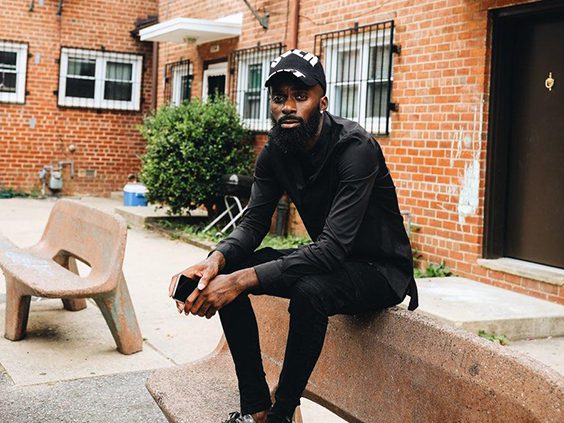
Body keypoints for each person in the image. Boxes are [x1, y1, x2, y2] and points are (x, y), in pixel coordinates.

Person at [169, 49, 418, 423]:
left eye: (300, 96)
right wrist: (215, 261)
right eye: (279, 97)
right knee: (229, 271)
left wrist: (241, 280)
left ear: (323, 101)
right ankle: (257, 407)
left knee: (308, 291)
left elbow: (333, 249)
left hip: (379, 271)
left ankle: (281, 415)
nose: (288, 106)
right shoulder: (275, 153)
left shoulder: (356, 149)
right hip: (331, 262)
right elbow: (253, 224)